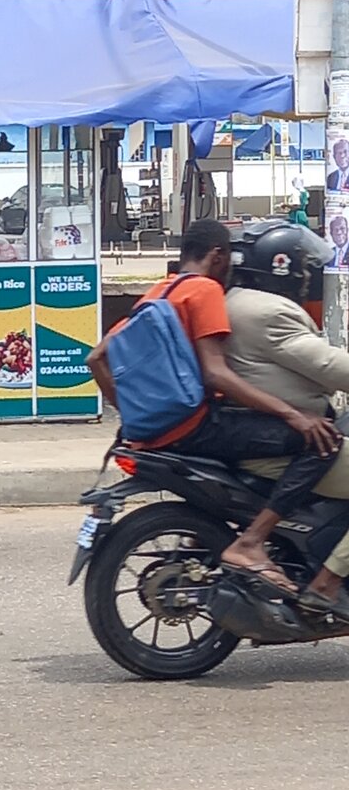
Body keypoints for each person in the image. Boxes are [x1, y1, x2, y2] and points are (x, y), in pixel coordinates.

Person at [88, 219, 342, 594]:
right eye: (229, 262)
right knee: (320, 439)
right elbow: (216, 374)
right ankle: (253, 542)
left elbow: (97, 359)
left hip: (154, 432)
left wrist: (135, 415)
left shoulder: (160, 290)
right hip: (196, 425)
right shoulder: (205, 290)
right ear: (218, 256)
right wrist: (293, 415)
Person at [225, 219, 349, 619]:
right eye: (304, 268)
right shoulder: (269, 311)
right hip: (282, 442)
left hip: (260, 430)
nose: (308, 277)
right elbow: (330, 367)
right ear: (283, 269)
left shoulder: (236, 300)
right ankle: (327, 584)